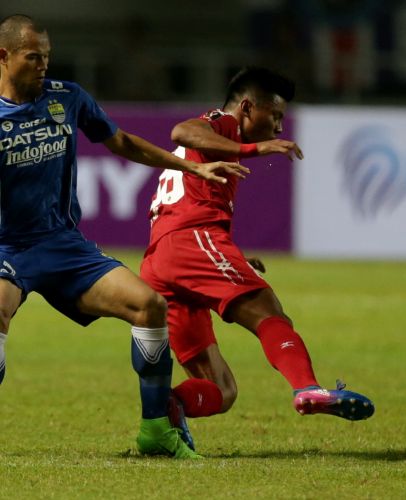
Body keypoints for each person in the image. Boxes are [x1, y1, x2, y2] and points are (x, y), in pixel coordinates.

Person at [0, 15, 248, 459]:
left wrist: (191, 166)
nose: (43, 65)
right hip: (6, 249)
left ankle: (157, 431)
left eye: (47, 57)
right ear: (4, 56)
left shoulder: (66, 98)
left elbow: (122, 143)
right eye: (33, 57)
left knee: (149, 306)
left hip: (63, 245)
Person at [140, 66, 374, 450]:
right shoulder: (223, 123)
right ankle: (307, 388)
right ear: (248, 107)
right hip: (189, 242)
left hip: (163, 259)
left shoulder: (212, 145)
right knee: (270, 313)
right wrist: (254, 148)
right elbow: (180, 131)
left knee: (222, 390)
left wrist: (233, 256)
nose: (280, 128)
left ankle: (168, 408)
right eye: (275, 115)